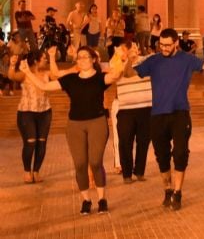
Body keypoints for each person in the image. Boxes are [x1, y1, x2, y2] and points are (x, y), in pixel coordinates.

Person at [19, 46, 126, 215]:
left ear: (93, 60)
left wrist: (120, 58)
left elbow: (115, 75)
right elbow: (45, 86)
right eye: (79, 57)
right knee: (80, 164)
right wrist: (28, 72)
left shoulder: (100, 78)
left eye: (86, 57)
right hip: (75, 125)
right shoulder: (70, 80)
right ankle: (86, 200)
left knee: (96, 162)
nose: (82, 59)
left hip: (97, 122)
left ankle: (102, 198)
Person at [132, 28, 204, 211]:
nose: (164, 48)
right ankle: (167, 190)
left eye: (168, 45)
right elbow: (132, 73)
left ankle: (177, 192)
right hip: (158, 115)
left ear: (176, 43)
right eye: (161, 45)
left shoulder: (186, 59)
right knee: (162, 157)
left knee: (180, 153)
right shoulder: (153, 61)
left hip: (180, 113)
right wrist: (126, 59)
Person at [8, 51, 52, 183]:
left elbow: (58, 75)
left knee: (42, 143)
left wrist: (54, 59)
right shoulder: (25, 73)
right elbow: (12, 76)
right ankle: (27, 171)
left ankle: (36, 171)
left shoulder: (46, 74)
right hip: (26, 112)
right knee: (30, 142)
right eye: (44, 58)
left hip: (45, 112)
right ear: (36, 61)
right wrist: (12, 65)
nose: (46, 60)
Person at [115, 42, 152, 183]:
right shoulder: (117, 64)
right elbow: (126, 74)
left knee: (143, 141)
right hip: (126, 110)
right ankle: (127, 174)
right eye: (130, 49)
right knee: (125, 142)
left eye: (136, 48)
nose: (134, 51)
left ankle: (139, 171)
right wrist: (127, 60)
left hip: (147, 108)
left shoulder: (147, 61)